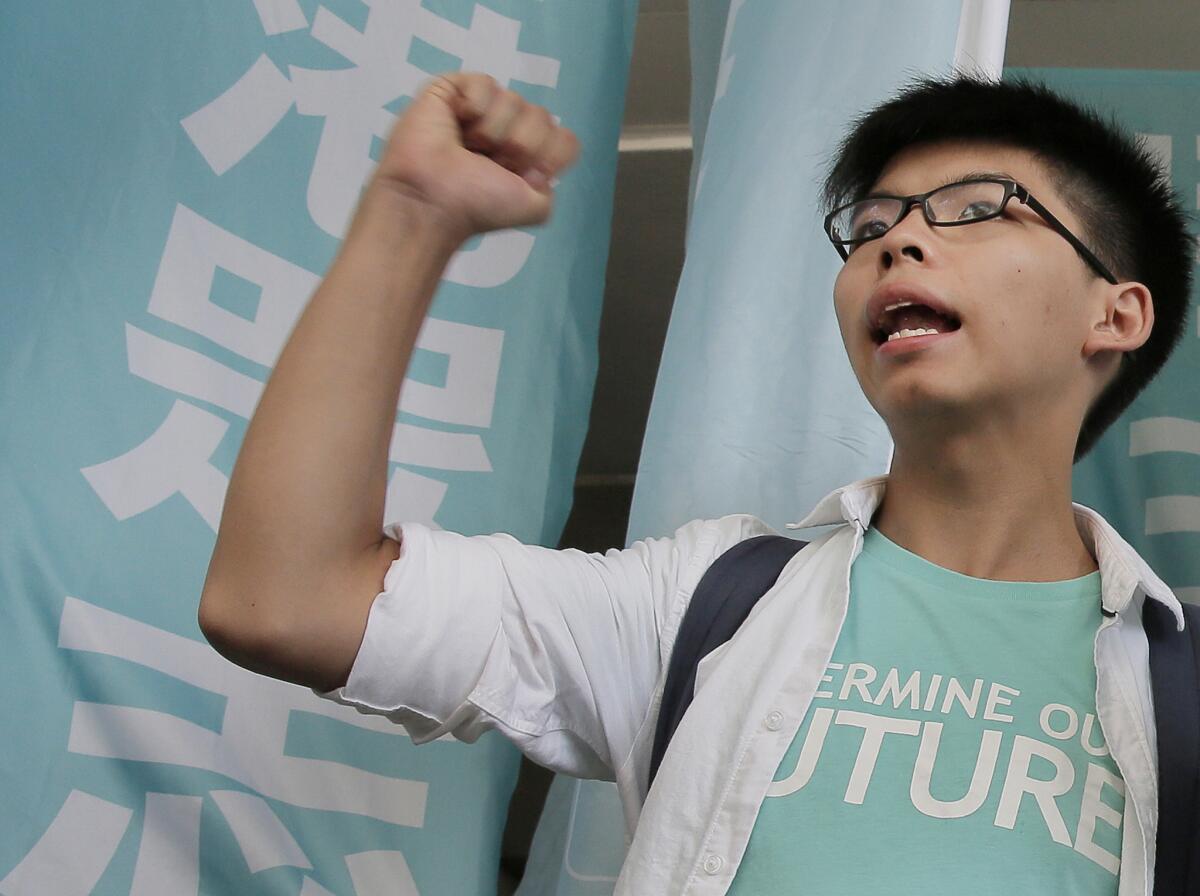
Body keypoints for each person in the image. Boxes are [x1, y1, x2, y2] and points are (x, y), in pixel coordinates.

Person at [198, 71, 1193, 894]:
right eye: (874, 223)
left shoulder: (1178, 692)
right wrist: (410, 216)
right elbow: (285, 600)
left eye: (977, 208)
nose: (900, 239)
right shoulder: (705, 603)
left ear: (1118, 313)